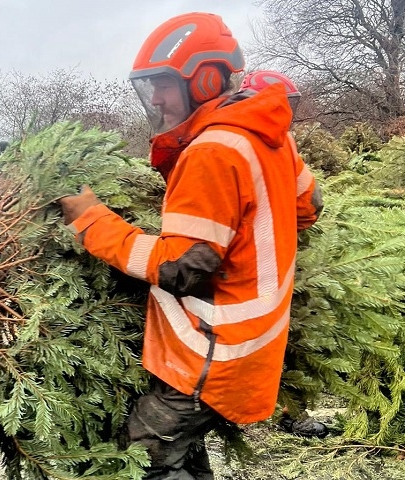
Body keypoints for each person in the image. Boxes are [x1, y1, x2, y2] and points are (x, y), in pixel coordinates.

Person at [59, 12, 323, 479]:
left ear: (203, 79)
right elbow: (308, 205)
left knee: (147, 455)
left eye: (163, 84)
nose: (156, 97)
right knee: (179, 448)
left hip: (215, 348)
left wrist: (90, 219)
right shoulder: (267, 134)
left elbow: (179, 267)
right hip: (256, 333)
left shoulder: (212, 151)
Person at [239, 70, 328, 439]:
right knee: (282, 337)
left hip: (238, 268)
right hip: (268, 265)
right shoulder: (282, 145)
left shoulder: (223, 141)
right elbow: (311, 204)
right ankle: (285, 410)